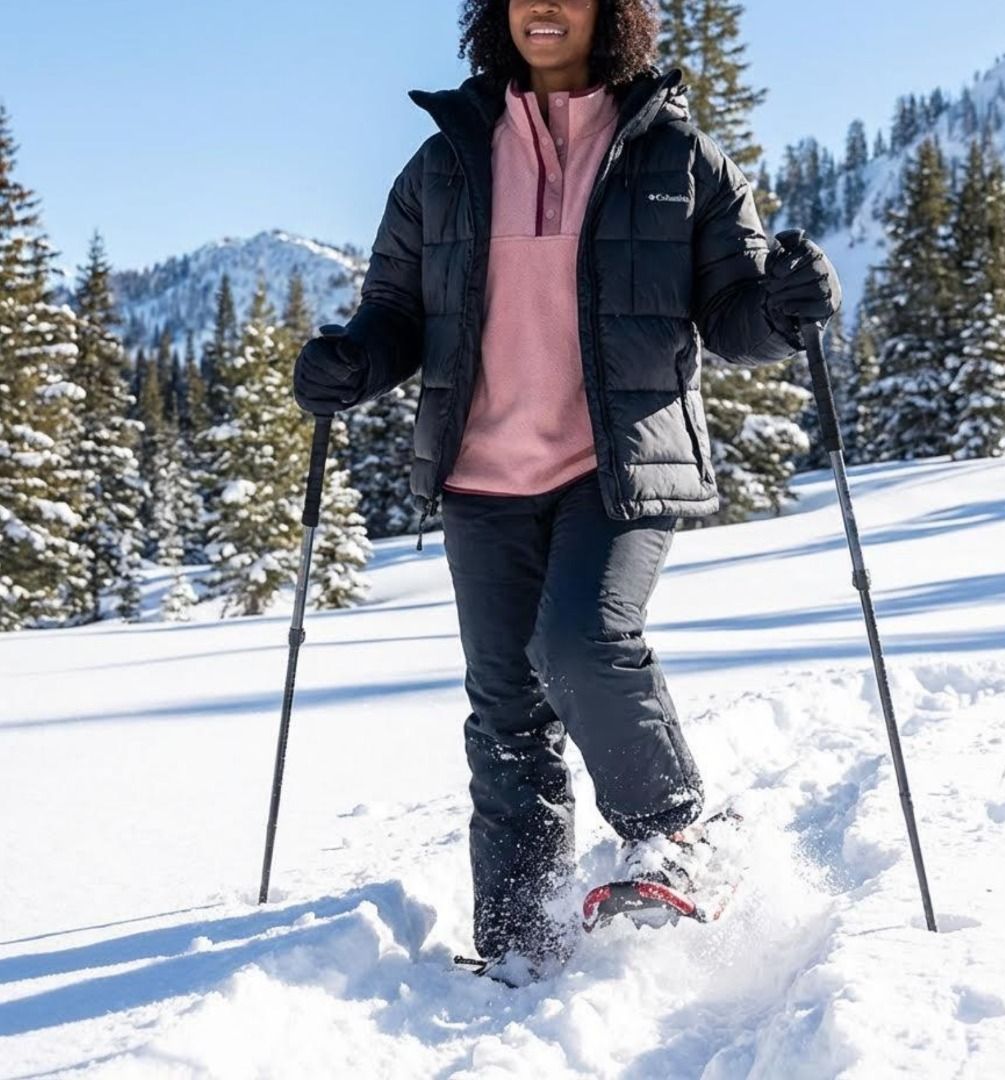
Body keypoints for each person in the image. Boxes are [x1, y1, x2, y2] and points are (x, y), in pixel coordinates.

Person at [293, 0, 841, 976]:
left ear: (612, 12)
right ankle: (520, 944)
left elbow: (736, 317)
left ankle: (671, 835)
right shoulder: (444, 164)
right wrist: (351, 362)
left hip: (619, 464)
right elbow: (393, 312)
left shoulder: (679, 161)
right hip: (481, 476)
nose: (545, 7)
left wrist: (784, 307)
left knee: (583, 638)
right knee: (505, 712)